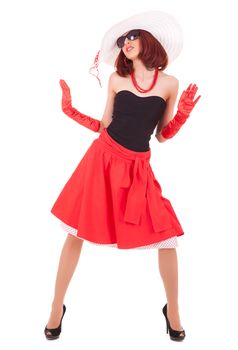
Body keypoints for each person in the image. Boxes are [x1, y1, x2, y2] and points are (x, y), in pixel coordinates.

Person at [44, 10, 201, 342]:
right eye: (123, 40)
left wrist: (184, 114)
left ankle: (173, 310)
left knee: (167, 236)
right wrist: (69, 110)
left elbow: (162, 135)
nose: (126, 42)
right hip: (101, 160)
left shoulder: (170, 84)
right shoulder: (117, 81)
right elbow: (105, 125)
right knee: (76, 232)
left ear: (149, 41)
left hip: (137, 169)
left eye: (133, 36)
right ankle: (56, 307)